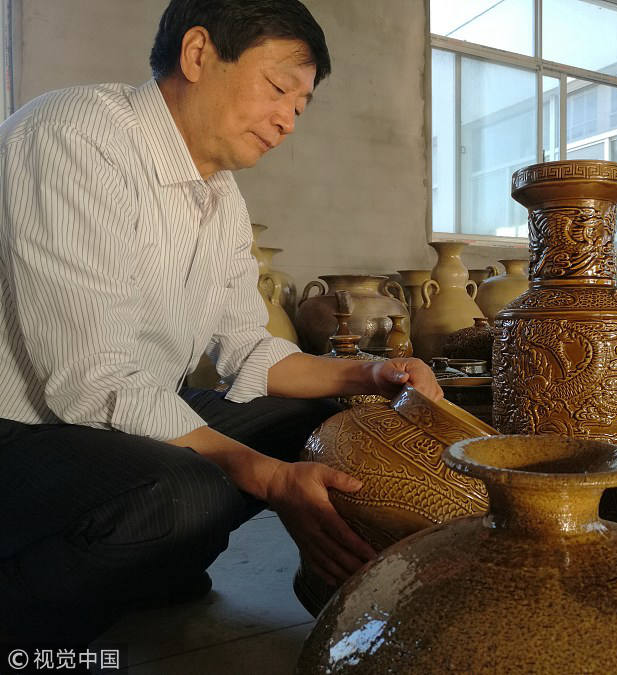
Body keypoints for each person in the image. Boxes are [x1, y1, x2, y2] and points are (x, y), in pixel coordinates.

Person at [0, 0, 440, 646]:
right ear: (199, 53)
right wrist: (265, 476)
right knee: (192, 494)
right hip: (25, 429)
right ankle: (29, 629)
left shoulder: (220, 198)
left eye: (302, 103)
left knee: (323, 422)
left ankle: (149, 562)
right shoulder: (74, 139)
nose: (289, 118)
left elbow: (250, 351)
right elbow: (93, 383)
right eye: (278, 87)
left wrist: (371, 372)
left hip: (115, 414)